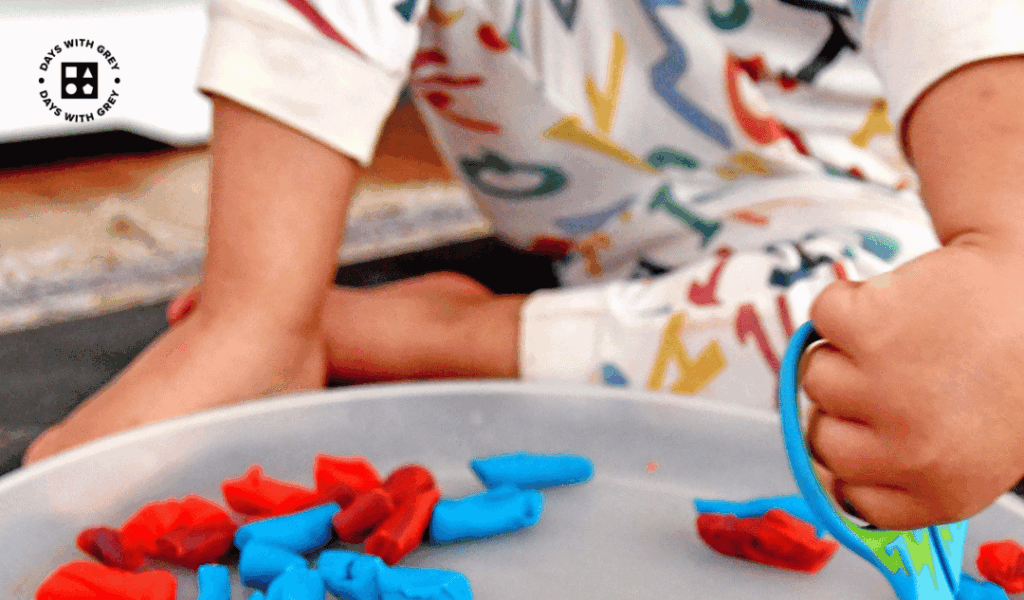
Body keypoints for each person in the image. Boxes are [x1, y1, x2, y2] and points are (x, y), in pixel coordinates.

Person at [23, 0, 1024, 534]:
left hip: (829, 226)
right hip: (570, 226)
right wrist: (249, 307)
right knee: (253, 316)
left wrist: (1001, 277)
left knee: (891, 323)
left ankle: (458, 337)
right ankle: (264, 320)